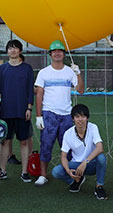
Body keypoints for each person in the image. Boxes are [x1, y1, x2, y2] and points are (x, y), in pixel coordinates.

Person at [34, 40, 84, 186]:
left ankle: (69, 173)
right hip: (49, 113)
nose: (57, 53)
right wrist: (38, 116)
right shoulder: (44, 72)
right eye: (54, 51)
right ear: (50, 54)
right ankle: (43, 175)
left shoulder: (70, 71)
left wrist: (78, 74)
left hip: (67, 115)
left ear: (64, 54)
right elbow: (39, 95)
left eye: (60, 51)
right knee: (46, 145)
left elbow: (80, 90)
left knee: (68, 146)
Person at [0, 39, 34, 182]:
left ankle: (24, 172)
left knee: (24, 141)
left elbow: (30, 90)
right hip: (6, 111)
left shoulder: (27, 68)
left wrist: (29, 107)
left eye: (16, 48)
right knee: (5, 141)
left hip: (22, 111)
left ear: (20, 51)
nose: (13, 50)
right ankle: (3, 170)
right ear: (7, 51)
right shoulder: (2, 69)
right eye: (10, 48)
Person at [51, 104, 107, 200]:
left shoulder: (93, 127)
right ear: (73, 119)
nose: (80, 119)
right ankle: (75, 181)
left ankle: (99, 186)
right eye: (77, 117)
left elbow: (100, 148)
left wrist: (85, 162)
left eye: (83, 116)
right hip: (76, 165)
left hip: (91, 164)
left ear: (87, 118)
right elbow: (63, 156)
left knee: (101, 158)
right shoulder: (68, 133)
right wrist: (68, 171)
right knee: (56, 172)